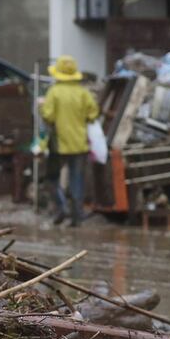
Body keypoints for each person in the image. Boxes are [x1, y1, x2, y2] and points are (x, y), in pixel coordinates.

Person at [40, 55, 99, 227]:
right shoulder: (83, 93)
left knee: (51, 178)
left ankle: (61, 208)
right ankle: (76, 216)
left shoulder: (54, 92)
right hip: (79, 144)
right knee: (77, 180)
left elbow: (48, 116)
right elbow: (93, 114)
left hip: (59, 145)